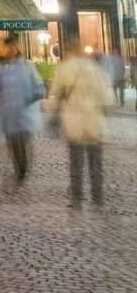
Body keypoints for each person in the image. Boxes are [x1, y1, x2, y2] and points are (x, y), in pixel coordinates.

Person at [50, 47, 111, 207]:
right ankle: (97, 196)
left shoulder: (64, 69)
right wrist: (104, 111)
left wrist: (54, 112)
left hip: (74, 122)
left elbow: (55, 93)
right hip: (93, 122)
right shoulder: (96, 70)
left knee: (76, 162)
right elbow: (107, 97)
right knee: (95, 162)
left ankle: (76, 197)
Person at [0, 35, 43, 184]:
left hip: (25, 113)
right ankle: (20, 170)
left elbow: (39, 88)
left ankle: (23, 169)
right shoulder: (1, 68)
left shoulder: (27, 66)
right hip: (9, 114)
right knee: (14, 143)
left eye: (10, 47)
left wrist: (28, 100)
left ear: (16, 48)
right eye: (5, 47)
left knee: (22, 142)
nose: (7, 50)